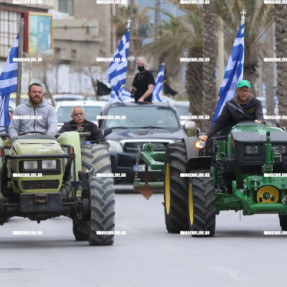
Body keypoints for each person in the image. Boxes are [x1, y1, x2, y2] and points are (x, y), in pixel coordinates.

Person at [199, 80, 264, 142]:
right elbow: (220, 121)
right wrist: (207, 135)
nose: (244, 93)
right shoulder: (230, 105)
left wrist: (259, 121)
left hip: (252, 134)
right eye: (241, 90)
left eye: (246, 91)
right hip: (233, 136)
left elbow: (259, 116)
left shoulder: (256, 103)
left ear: (249, 92)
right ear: (237, 91)